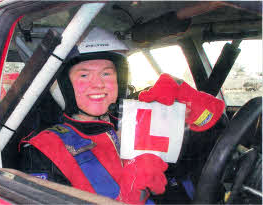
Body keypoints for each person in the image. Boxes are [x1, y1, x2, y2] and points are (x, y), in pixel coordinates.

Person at [19, 27, 225, 204]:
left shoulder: (142, 118)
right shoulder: (43, 150)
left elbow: (215, 139)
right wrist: (127, 198)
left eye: (107, 73)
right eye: (84, 75)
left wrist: (189, 99)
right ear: (63, 86)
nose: (98, 83)